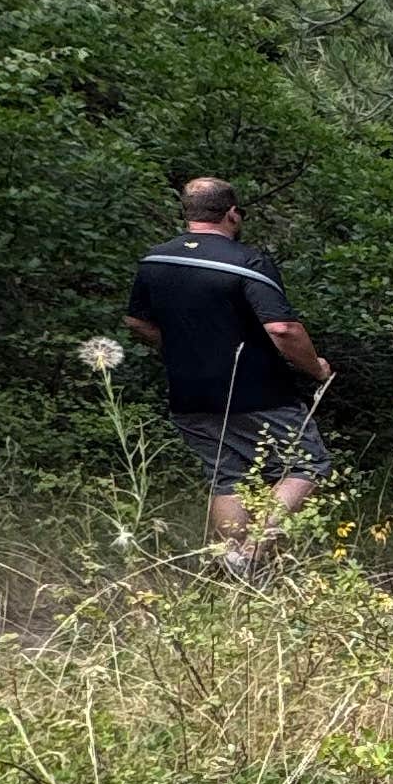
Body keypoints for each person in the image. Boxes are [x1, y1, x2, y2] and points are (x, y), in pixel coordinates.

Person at [123, 176, 336, 554]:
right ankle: (254, 552)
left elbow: (137, 322)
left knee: (228, 476)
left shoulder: (155, 260)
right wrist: (316, 369)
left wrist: (181, 348)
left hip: (189, 395)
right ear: (232, 214)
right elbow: (283, 329)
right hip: (257, 394)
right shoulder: (246, 262)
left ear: (188, 212)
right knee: (307, 467)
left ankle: (232, 562)